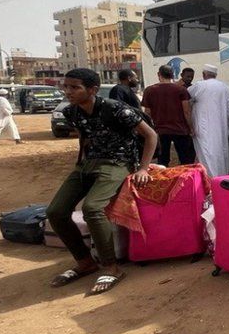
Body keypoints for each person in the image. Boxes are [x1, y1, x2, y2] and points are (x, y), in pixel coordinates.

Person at [46, 68, 157, 294]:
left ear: (93, 90)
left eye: (75, 87)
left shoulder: (115, 109)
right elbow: (85, 136)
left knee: (92, 208)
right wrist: (83, 162)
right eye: (66, 86)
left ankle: (111, 267)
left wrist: (143, 168)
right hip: (88, 164)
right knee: (55, 211)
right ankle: (85, 262)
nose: (68, 92)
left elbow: (151, 135)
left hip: (118, 163)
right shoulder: (72, 112)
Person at [141, 65, 195, 166]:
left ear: (158, 75)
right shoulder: (181, 90)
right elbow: (186, 111)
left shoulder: (149, 90)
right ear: (172, 75)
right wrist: (191, 127)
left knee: (162, 162)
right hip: (180, 130)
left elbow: (147, 113)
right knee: (185, 160)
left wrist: (148, 130)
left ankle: (165, 180)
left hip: (160, 130)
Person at [189, 64, 229, 177]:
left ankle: (208, 181)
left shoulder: (198, 86)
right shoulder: (225, 87)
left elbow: (186, 98)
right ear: (215, 75)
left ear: (204, 74)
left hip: (203, 127)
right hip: (221, 127)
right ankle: (221, 179)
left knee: (205, 153)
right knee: (221, 153)